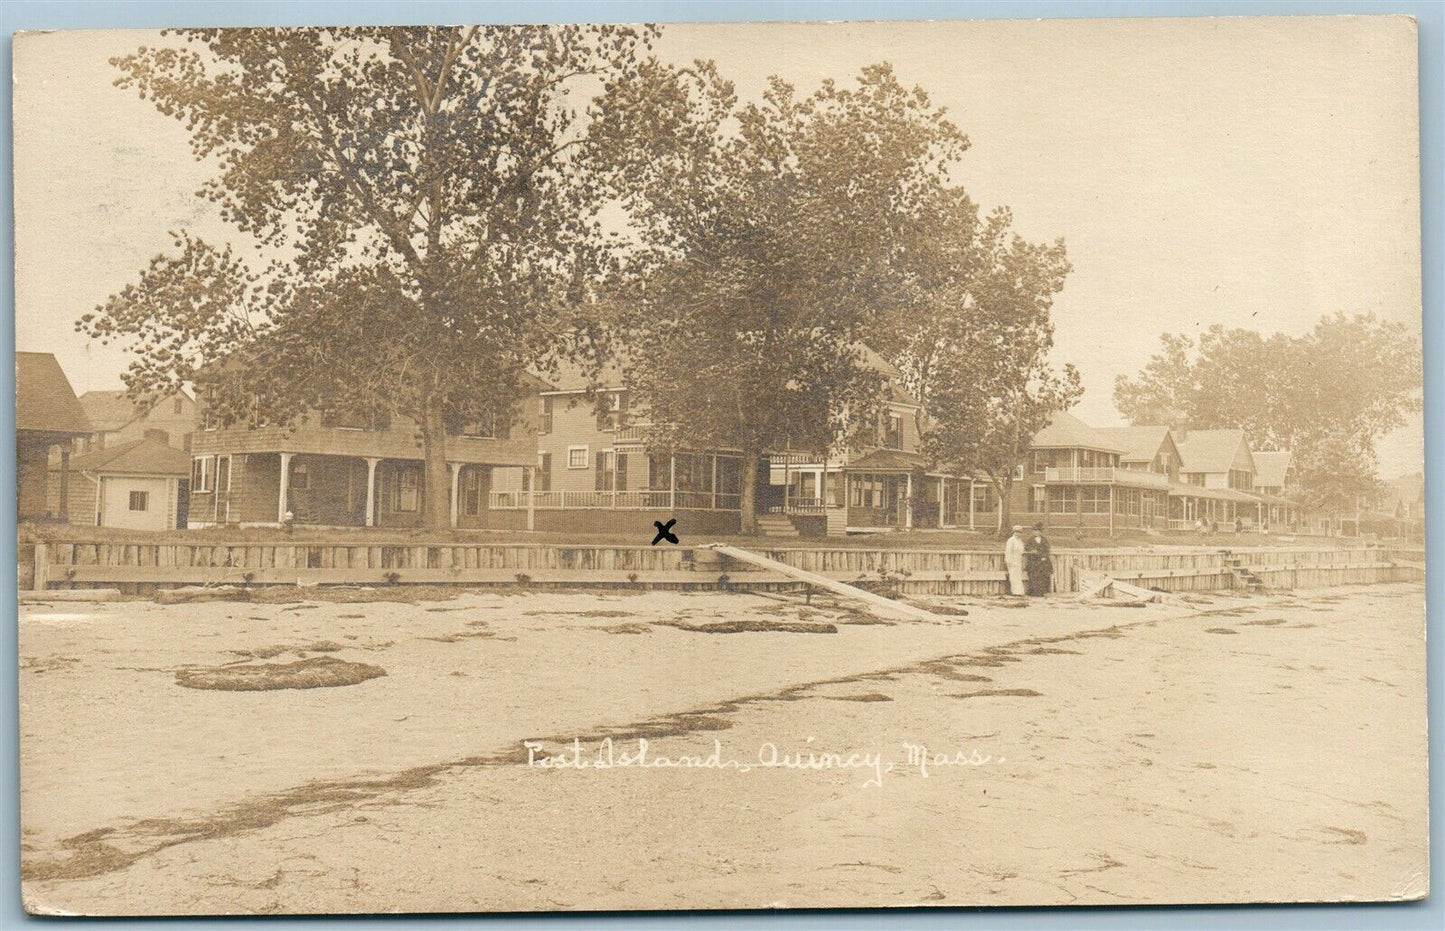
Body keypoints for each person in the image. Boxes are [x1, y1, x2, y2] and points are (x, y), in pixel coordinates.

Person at [1025, 522, 1052, 596]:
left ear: (1040, 532)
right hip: (1033, 561)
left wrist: (1044, 557)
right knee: (1033, 576)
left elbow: (1047, 549)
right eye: (1034, 531)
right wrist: (1031, 550)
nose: (1036, 532)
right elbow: (1026, 547)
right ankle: (1033, 592)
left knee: (1042, 576)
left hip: (1042, 560)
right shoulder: (1030, 540)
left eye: (1038, 531)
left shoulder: (1044, 540)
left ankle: (1041, 592)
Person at [1004, 525, 1027, 596]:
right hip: (1012, 560)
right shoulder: (1011, 540)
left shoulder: (1020, 541)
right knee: (1013, 576)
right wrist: (1008, 561)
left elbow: (1021, 550)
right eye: (1016, 532)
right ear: (1013, 532)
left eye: (1019, 532)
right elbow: (1008, 551)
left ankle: (1019, 591)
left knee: (1018, 576)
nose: (1018, 534)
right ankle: (1014, 591)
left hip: (1018, 560)